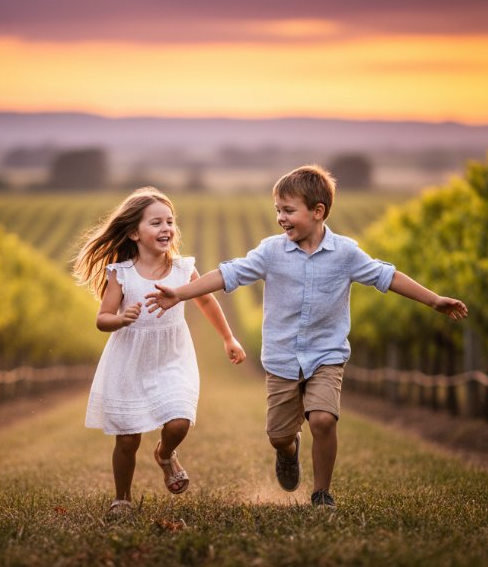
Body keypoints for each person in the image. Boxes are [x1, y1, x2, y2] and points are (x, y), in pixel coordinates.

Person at [145, 166, 468, 509]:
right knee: (279, 435)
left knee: (323, 419)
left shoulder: (345, 253)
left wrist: (434, 300)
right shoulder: (271, 252)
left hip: (326, 355)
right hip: (282, 357)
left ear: (318, 212)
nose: (281, 218)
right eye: (277, 211)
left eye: (288, 210)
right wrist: (180, 294)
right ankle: (289, 450)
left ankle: (322, 493)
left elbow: (386, 276)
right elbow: (228, 274)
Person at [73, 187, 246, 517]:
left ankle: (165, 454)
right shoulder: (121, 274)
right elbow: (102, 319)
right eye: (156, 222)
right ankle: (122, 497)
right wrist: (120, 318)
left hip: (171, 357)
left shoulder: (183, 269)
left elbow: (206, 300)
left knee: (180, 421)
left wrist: (229, 338)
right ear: (134, 233)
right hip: (129, 361)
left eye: (170, 221)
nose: (166, 228)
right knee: (127, 439)